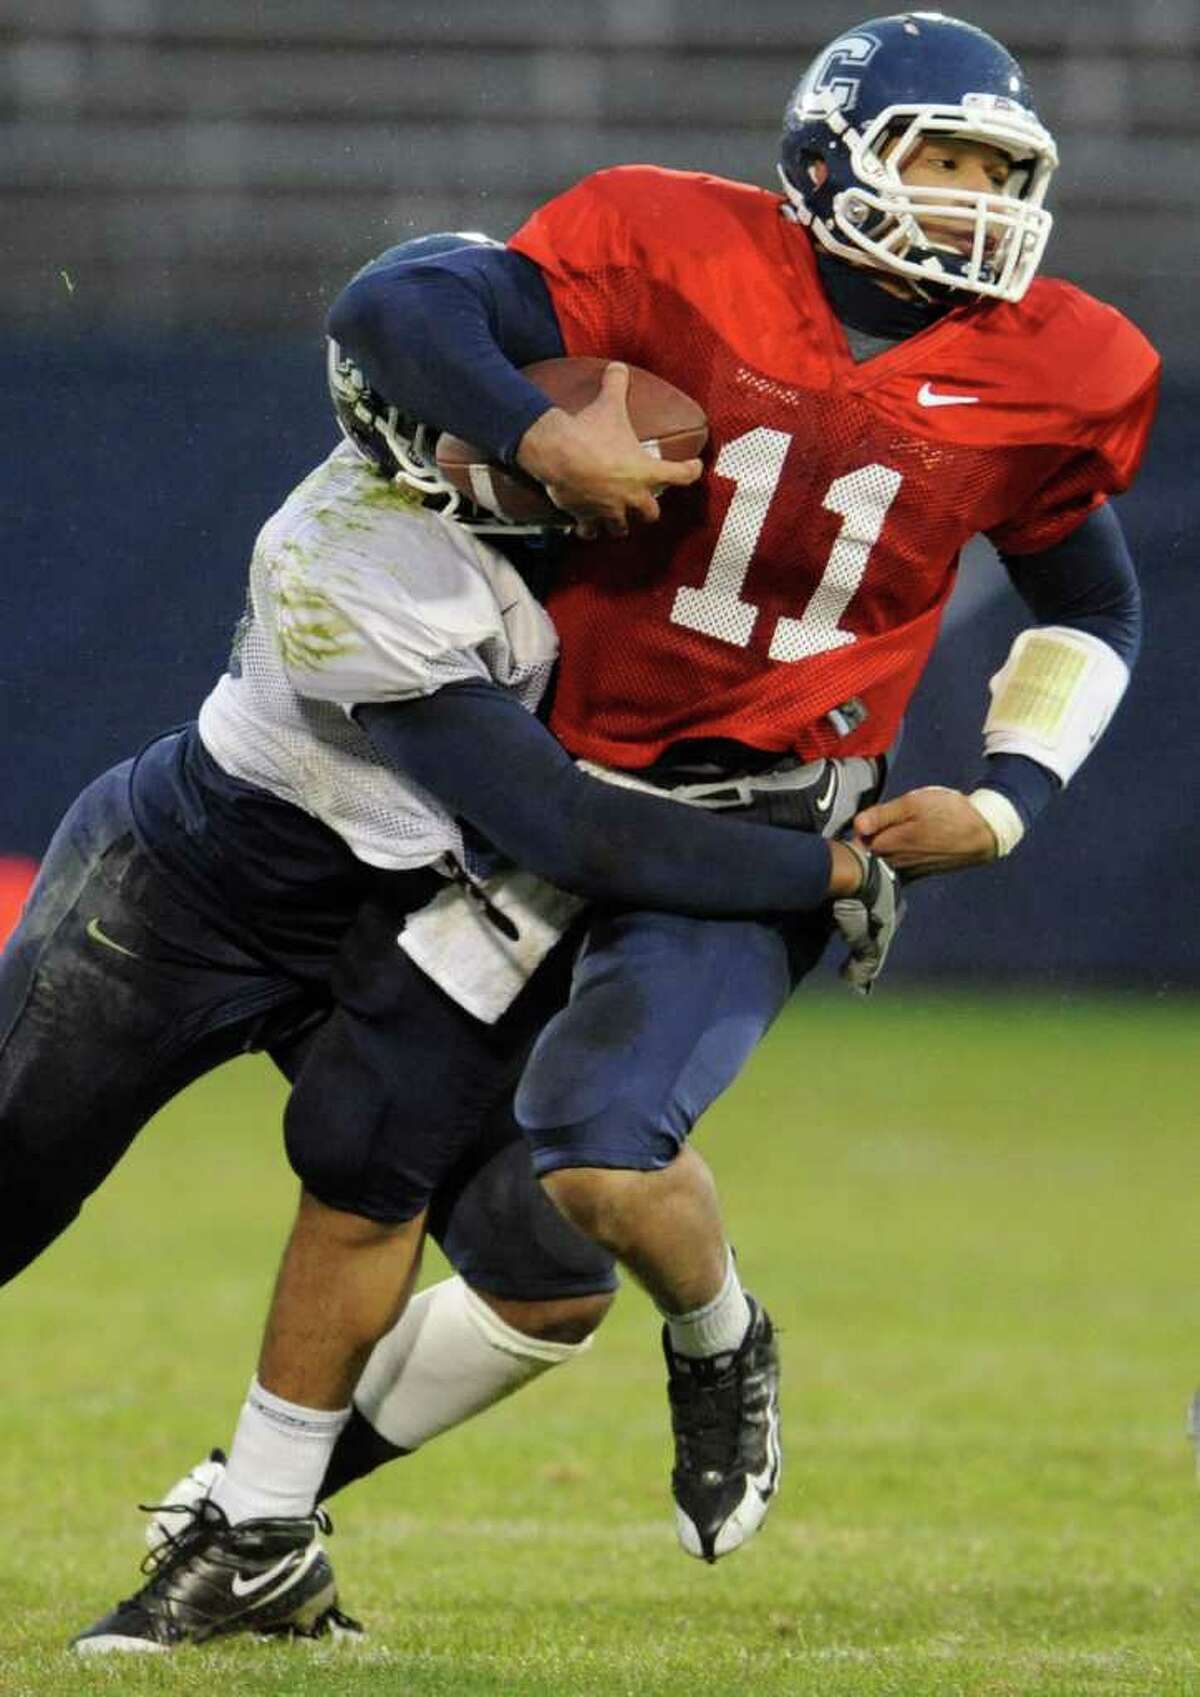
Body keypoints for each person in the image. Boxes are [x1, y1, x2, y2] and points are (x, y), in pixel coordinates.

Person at [67, 7, 1156, 1650]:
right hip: (553, 790)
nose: (972, 201)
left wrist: (1012, 795)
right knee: (364, 1145)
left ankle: (716, 1337)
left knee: (591, 1147)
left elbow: (1094, 601)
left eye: (997, 171)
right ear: (829, 157)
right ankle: (259, 1525)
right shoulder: (667, 244)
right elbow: (398, 302)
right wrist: (536, 423)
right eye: (939, 161)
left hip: (761, 801)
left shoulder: (1063, 365)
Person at [1, 242, 896, 1653]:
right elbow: (561, 823)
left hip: (423, 904)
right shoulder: (344, 555)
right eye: (521, 416)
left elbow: (428, 290)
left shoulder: (627, 471)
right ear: (426, 444)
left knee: (546, 1273)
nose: (589, 430)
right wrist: (826, 866)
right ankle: (262, 1523)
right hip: (196, 888)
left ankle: (266, 1521)